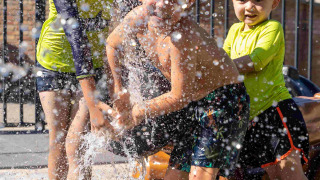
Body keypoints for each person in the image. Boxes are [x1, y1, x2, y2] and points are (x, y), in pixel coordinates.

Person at [99, 0, 250, 179]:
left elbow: (179, 97)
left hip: (224, 100)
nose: (162, 4)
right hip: (193, 103)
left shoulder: (182, 36)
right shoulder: (138, 17)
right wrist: (118, 89)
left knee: (200, 176)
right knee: (174, 176)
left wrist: (136, 112)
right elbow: (112, 45)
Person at [223, 0, 309, 179]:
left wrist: (217, 66)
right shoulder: (234, 31)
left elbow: (256, 61)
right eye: (242, 0)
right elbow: (223, 62)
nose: (249, 7)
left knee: (289, 173)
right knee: (274, 175)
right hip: (253, 118)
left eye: (258, 1)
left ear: (275, 3)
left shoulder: (272, 27)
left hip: (276, 111)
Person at [36, 0, 114, 179]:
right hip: (53, 63)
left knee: (79, 143)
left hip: (92, 66)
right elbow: (75, 31)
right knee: (58, 139)